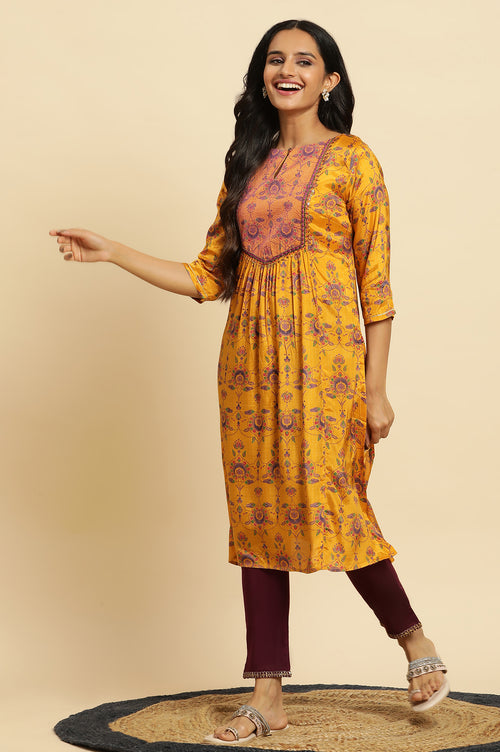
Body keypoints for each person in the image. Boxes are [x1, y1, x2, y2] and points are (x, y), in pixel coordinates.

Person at [50, 18, 449, 746]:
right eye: (275, 59)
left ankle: (413, 638)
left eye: (305, 60)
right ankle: (268, 695)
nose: (287, 70)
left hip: (327, 368)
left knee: (335, 502)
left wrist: (375, 388)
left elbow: (377, 286)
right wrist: (113, 252)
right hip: (248, 367)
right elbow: (207, 277)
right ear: (263, 76)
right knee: (258, 517)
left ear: (329, 79)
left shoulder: (354, 160)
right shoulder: (248, 164)